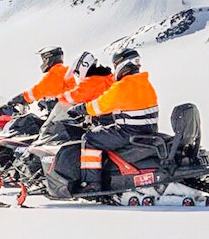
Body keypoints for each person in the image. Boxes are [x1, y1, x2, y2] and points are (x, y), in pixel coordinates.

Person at [68, 47, 159, 193]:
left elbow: (98, 106)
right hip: (148, 131)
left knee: (90, 138)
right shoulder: (145, 83)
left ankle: (92, 183)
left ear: (121, 65)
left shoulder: (122, 86)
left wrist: (80, 109)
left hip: (128, 132)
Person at [8, 46, 75, 108]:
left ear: (49, 59)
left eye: (44, 60)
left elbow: (38, 91)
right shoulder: (65, 70)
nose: (43, 63)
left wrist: (20, 98)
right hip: (68, 108)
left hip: (65, 111)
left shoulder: (56, 73)